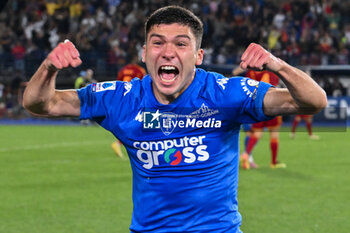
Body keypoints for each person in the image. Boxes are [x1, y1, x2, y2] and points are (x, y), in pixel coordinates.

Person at [22, 6, 327, 233]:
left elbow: (314, 101)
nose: (168, 52)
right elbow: (41, 103)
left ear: (198, 56)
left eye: (181, 44)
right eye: (158, 43)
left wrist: (278, 66)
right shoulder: (122, 98)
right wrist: (48, 67)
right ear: (144, 52)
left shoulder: (224, 94)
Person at [233, 67, 284, 169]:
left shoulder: (250, 73)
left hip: (255, 106)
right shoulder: (271, 73)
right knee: (274, 134)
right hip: (271, 105)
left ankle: (246, 154)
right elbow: (273, 88)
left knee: (255, 133)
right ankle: (273, 162)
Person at [111, 55, 146, 157]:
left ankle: (120, 143)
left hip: (123, 98)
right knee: (140, 123)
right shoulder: (140, 70)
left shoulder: (123, 70)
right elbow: (145, 84)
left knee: (130, 123)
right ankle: (119, 143)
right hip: (135, 99)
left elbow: (118, 84)